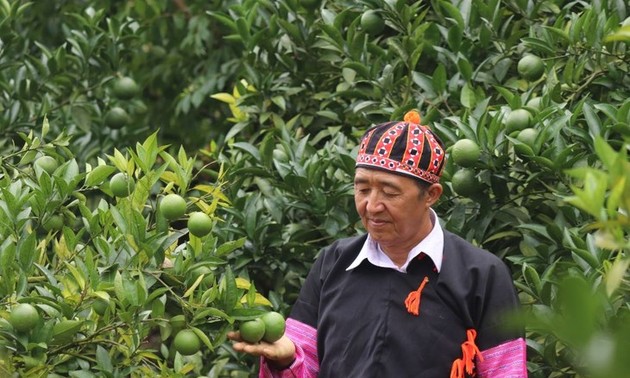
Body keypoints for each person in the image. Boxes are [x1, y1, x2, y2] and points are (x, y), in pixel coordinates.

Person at [228, 111, 527, 377]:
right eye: (362, 188)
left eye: (390, 192)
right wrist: (287, 360)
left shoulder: (481, 275)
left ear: (431, 194)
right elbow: (304, 365)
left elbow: (507, 371)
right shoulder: (333, 263)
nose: (372, 206)